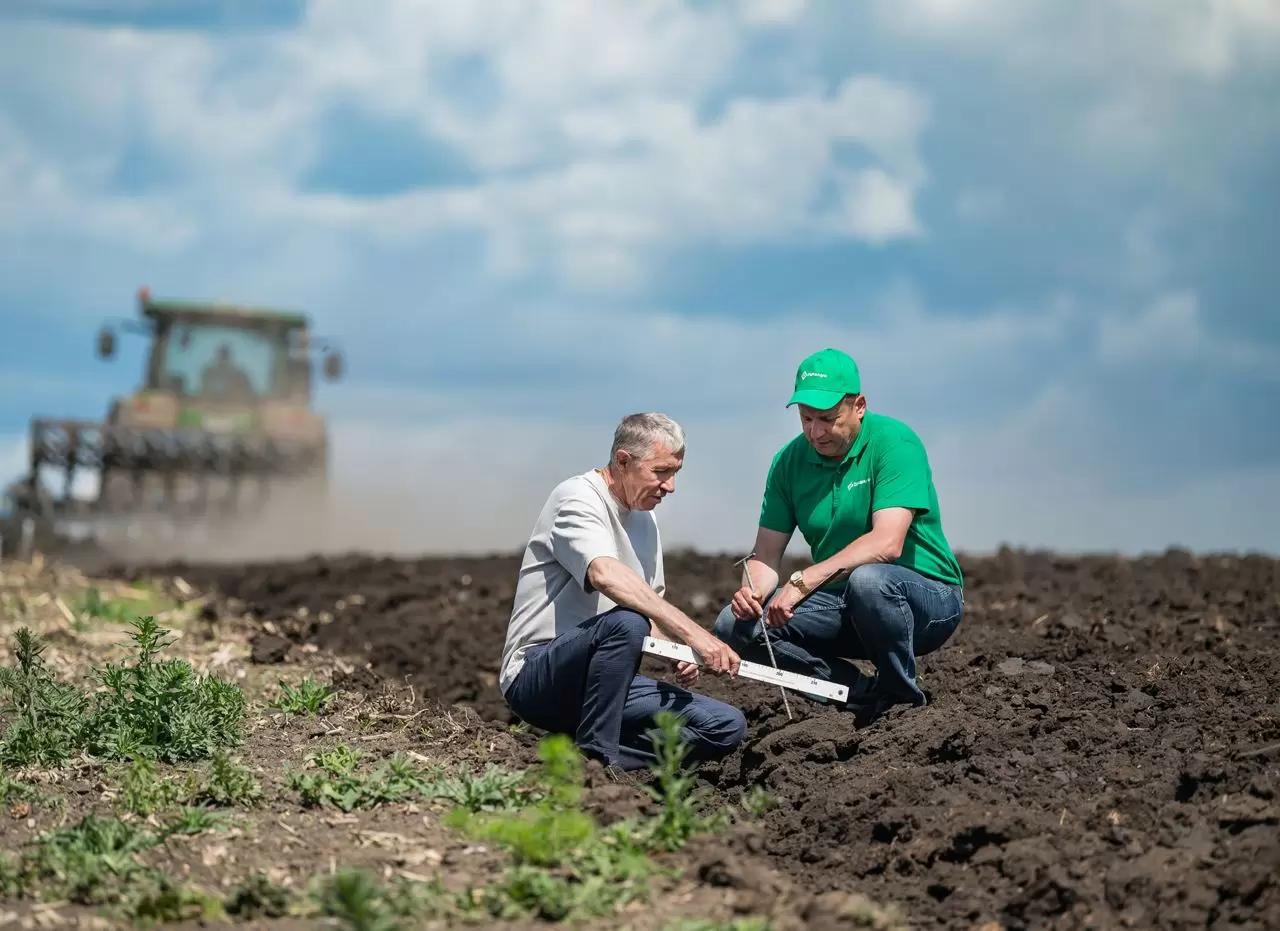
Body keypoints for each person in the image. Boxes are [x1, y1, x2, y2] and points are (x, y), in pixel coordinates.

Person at [713, 348, 964, 718]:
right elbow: (765, 556)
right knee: (734, 625)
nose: (815, 432)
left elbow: (887, 544)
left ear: (859, 406)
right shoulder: (788, 462)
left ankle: (900, 702)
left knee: (870, 582)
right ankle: (856, 693)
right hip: (844, 603)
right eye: (806, 419)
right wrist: (753, 592)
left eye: (828, 419)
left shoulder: (895, 443)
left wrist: (802, 582)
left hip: (926, 601)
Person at [501, 413, 747, 770]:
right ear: (623, 460)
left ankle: (583, 753)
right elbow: (604, 575)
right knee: (627, 622)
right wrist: (694, 633)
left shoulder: (645, 519)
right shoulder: (577, 498)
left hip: (604, 683)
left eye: (676, 472)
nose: (671, 486)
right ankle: (597, 762)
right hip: (538, 675)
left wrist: (676, 650)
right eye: (661, 471)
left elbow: (648, 612)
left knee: (725, 726)